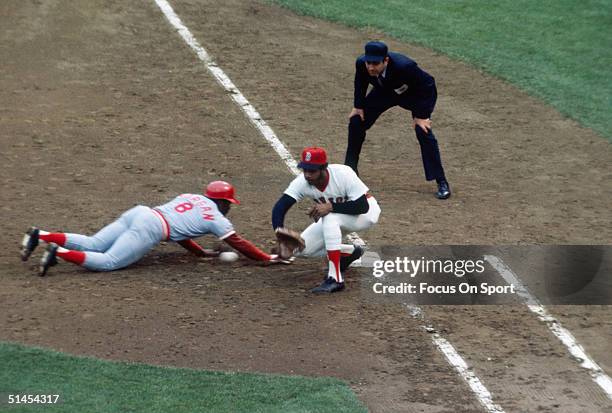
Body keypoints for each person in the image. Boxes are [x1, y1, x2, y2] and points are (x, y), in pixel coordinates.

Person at [21, 181, 285, 276]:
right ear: (225, 202)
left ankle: (40, 235)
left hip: (140, 213)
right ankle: (58, 253)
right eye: (229, 203)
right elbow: (238, 243)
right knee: (108, 262)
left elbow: (183, 232)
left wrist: (200, 253)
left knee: (93, 243)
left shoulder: (190, 197)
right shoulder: (217, 218)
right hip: (150, 227)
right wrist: (267, 258)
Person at [346, 40, 451, 199]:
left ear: (386, 60)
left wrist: (422, 115)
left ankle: (441, 181)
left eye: (375, 63)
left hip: (413, 95)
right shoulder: (362, 64)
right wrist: (358, 106)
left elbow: (428, 85)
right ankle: (350, 171)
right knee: (356, 122)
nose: (371, 67)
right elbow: (360, 82)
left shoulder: (405, 66)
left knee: (422, 131)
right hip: (384, 93)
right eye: (369, 63)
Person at [272, 147, 381, 293]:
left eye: (312, 171)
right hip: (337, 218)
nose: (307, 175)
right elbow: (280, 207)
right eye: (305, 170)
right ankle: (349, 252)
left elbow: (362, 206)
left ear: (323, 168)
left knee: (329, 216)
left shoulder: (343, 173)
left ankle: (335, 279)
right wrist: (280, 234)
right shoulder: (302, 182)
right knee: (299, 249)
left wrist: (330, 206)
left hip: (366, 214)